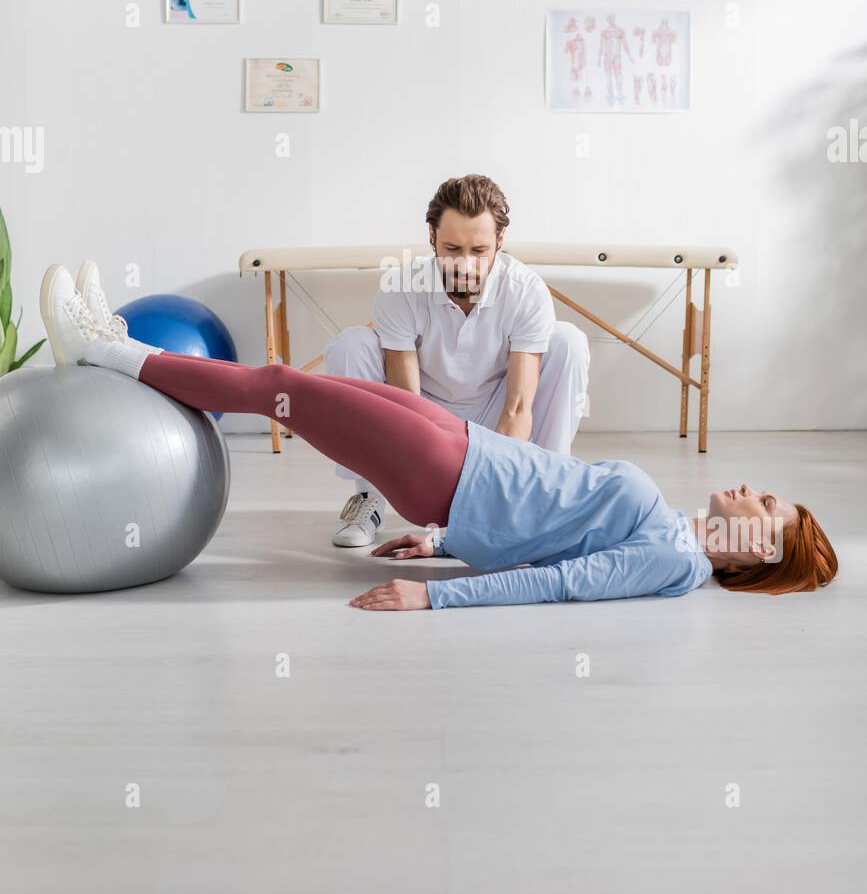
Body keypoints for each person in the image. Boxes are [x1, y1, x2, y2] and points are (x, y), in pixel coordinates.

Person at [39, 263, 839, 613]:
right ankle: (117, 343)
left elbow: (557, 586)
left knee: (280, 387)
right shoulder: (671, 529)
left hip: (449, 470)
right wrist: (445, 543)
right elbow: (550, 536)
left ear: (758, 553)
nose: (752, 491)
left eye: (766, 506)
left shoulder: (672, 561)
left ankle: (106, 347)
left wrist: (437, 596)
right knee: (319, 383)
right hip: (462, 456)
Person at [323, 174, 590, 548]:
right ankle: (370, 497)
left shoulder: (526, 291)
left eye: (479, 251)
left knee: (568, 341)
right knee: (351, 344)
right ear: (431, 236)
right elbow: (408, 408)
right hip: (428, 408)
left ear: (500, 241)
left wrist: (487, 502)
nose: (464, 265)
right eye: (452, 249)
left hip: (495, 407)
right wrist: (425, 481)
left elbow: (517, 409)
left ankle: (544, 492)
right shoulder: (401, 288)